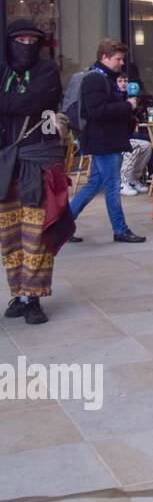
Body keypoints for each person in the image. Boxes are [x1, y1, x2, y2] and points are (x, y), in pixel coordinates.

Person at [0, 19, 72, 324]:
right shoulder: (4, 70)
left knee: (36, 233)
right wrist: (16, 102)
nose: (26, 46)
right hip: (7, 167)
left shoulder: (47, 71)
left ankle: (35, 298)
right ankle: (18, 293)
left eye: (32, 40)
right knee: (10, 235)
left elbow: (41, 99)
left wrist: (11, 103)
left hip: (37, 164)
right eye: (21, 40)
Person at [66, 39, 146, 244]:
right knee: (112, 186)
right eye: (118, 59)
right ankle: (120, 229)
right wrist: (127, 106)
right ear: (104, 57)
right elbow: (97, 111)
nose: (121, 63)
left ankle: (62, 227)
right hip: (104, 141)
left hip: (104, 139)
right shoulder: (96, 79)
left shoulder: (103, 78)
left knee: (94, 184)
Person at [116, 74, 152, 196]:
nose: (123, 83)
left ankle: (133, 178)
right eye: (120, 81)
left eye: (125, 80)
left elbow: (132, 121)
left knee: (147, 145)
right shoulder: (115, 98)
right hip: (113, 138)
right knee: (134, 146)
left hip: (125, 135)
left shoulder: (129, 97)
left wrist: (134, 109)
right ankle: (122, 181)